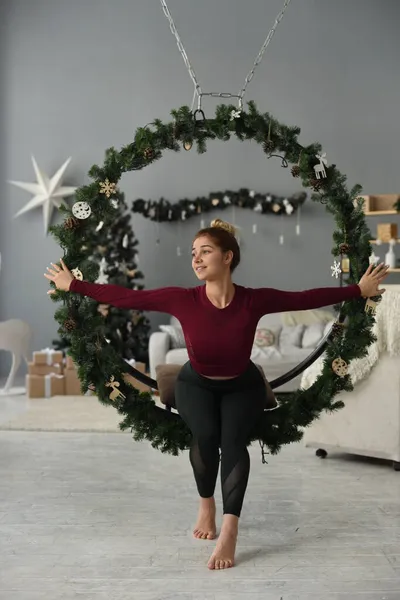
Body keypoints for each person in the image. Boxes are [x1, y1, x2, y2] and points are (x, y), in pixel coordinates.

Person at [44, 218, 389, 570]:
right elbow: (128, 297)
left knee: (233, 441)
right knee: (206, 435)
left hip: (242, 384)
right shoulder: (182, 299)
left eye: (205, 251)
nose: (196, 258)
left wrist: (357, 290)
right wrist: (73, 284)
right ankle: (206, 504)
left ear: (228, 257)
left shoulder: (253, 300)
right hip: (196, 382)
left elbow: (304, 298)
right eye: (193, 253)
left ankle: (230, 530)